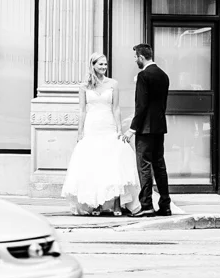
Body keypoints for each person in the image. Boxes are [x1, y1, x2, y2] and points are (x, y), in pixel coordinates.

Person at [61, 53, 141, 216]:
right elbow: (82, 110)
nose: (104, 67)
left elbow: (116, 108)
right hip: (92, 127)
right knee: (94, 164)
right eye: (100, 64)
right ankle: (96, 203)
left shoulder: (113, 84)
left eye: (105, 64)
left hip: (108, 125)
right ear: (93, 65)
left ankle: (117, 203)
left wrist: (119, 128)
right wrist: (80, 132)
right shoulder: (84, 86)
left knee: (113, 162)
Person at [130, 43, 171, 216]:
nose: (135, 61)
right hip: (159, 127)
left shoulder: (143, 76)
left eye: (135, 57)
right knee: (159, 165)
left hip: (145, 129)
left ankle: (146, 205)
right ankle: (165, 205)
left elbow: (141, 105)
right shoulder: (163, 75)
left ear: (141, 57)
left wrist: (132, 128)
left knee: (144, 166)